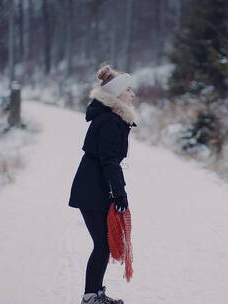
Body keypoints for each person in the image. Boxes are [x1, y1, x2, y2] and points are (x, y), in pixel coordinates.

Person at [68, 65, 137, 304]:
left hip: (95, 187)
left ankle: (95, 294)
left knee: (103, 244)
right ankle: (90, 297)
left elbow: (110, 161)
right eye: (128, 89)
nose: (132, 94)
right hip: (92, 189)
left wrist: (116, 191)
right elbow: (109, 161)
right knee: (101, 244)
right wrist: (120, 194)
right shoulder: (109, 120)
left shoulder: (112, 118)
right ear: (117, 94)